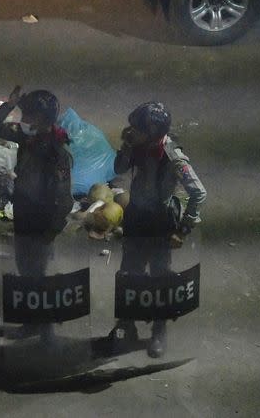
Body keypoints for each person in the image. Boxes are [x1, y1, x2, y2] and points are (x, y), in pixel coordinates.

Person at [108, 101, 207, 358]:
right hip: (136, 217)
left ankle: (159, 330)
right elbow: (118, 169)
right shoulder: (140, 146)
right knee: (129, 272)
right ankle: (126, 324)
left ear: (152, 131)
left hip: (161, 221)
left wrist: (184, 229)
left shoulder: (173, 157)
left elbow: (198, 192)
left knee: (160, 277)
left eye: (138, 129)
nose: (133, 131)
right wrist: (127, 146)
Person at [0, 86, 74, 342]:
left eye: (28, 116)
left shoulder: (57, 153)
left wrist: (51, 232)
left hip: (41, 224)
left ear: (43, 120)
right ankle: (33, 323)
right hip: (24, 217)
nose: (22, 121)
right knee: (26, 271)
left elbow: (64, 199)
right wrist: (10, 104)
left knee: (38, 275)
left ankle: (46, 331)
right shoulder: (29, 138)